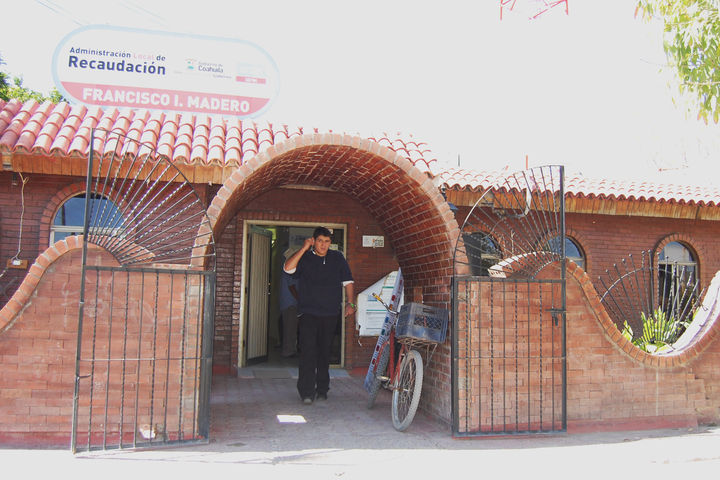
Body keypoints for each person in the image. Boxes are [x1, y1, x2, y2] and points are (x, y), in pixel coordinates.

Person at [283, 226, 355, 404]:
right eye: (320, 241)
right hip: (308, 313)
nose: (323, 245)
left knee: (324, 352)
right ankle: (307, 392)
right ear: (314, 241)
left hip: (330, 313)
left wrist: (350, 303)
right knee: (308, 352)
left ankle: (322, 389)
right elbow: (288, 268)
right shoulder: (305, 257)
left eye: (327, 241)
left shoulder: (337, 258)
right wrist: (304, 248)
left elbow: (348, 282)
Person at [280, 249, 299, 357]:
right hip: (290, 304)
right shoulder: (290, 270)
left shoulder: (287, 269)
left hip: (287, 304)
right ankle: (288, 352)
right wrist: (300, 299)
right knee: (290, 329)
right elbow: (292, 287)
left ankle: (290, 350)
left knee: (290, 328)